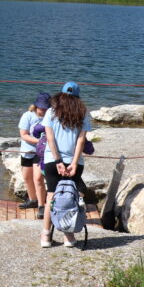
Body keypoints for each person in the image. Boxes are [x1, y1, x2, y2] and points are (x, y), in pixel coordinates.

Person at [40, 81, 92, 248]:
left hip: (52, 161)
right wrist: (74, 163)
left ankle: (45, 237)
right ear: (78, 97)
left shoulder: (51, 112)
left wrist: (57, 161)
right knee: (70, 196)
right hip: (73, 161)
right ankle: (68, 237)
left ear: (61, 95)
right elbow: (81, 140)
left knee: (51, 198)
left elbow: (50, 138)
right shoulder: (83, 114)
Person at [19, 92, 51, 219]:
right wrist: (39, 141)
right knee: (27, 177)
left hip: (41, 152)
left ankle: (41, 205)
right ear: (36, 106)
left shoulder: (50, 117)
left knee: (38, 178)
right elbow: (24, 134)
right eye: (41, 108)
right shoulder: (27, 116)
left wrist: (43, 144)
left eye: (45, 109)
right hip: (27, 151)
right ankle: (32, 199)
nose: (42, 111)